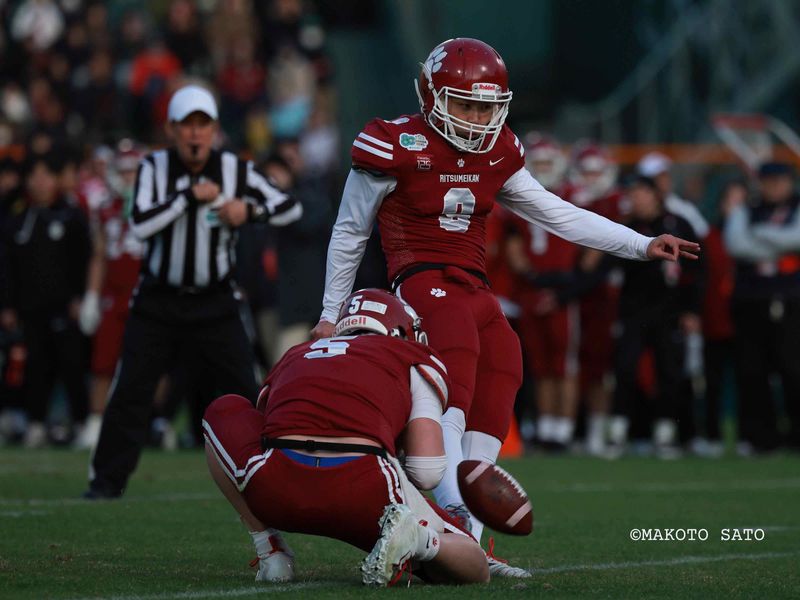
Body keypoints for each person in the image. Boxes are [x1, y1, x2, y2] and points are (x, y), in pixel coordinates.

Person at [310, 37, 700, 575]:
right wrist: (331, 311)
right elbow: (350, 232)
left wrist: (640, 243)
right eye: (465, 103)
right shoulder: (393, 142)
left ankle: (466, 542)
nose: (476, 118)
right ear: (432, 95)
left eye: (486, 106)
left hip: (474, 285)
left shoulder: (500, 149)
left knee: (505, 363)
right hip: (421, 279)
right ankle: (437, 522)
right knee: (459, 360)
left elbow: (555, 212)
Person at [85, 85, 302, 499]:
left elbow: (290, 207)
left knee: (244, 388)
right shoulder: (153, 167)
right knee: (131, 389)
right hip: (158, 299)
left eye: (203, 125)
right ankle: (105, 483)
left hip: (215, 301)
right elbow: (142, 223)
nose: (195, 135)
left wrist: (248, 211)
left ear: (215, 129)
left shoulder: (235, 169)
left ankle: (270, 478)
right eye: (187, 126)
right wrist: (187, 196)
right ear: (172, 130)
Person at [203, 289, 489, 586]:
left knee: (224, 409)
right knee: (472, 561)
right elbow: (427, 471)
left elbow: (265, 424)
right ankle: (419, 540)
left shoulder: (297, 353)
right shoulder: (411, 355)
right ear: (402, 330)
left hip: (277, 487)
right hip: (363, 490)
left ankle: (269, 548)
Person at [605, 176, 704, 458]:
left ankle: (665, 435)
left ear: (654, 195)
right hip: (633, 309)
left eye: (640, 193)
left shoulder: (676, 224)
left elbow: (696, 270)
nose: (635, 199)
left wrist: (691, 309)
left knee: (669, 371)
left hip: (668, 310)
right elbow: (606, 266)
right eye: (632, 193)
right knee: (624, 369)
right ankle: (618, 433)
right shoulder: (625, 226)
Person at [0, 151, 92, 448]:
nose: (40, 182)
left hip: (65, 307)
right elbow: (8, 267)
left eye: (46, 176)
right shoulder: (18, 220)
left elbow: (85, 260)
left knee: (72, 366)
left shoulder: (72, 216)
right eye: (34, 176)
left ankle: (81, 422)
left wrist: (81, 297)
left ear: (55, 180)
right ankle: (36, 423)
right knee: (35, 367)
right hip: (30, 308)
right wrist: (8, 305)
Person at [724, 162, 800, 454]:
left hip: (791, 298)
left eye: (779, 181)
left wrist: (763, 235)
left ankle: (795, 434)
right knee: (752, 370)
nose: (774, 187)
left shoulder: (792, 208)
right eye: (768, 181)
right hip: (750, 299)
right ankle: (759, 437)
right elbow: (737, 245)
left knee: (792, 368)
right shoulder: (747, 209)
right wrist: (780, 244)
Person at [75, 141, 145, 450]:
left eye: (133, 171)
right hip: (113, 293)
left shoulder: (154, 203)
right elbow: (99, 254)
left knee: (146, 362)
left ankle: (149, 420)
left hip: (144, 292)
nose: (128, 177)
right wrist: (91, 295)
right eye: (124, 171)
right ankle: (95, 420)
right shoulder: (104, 208)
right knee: (103, 360)